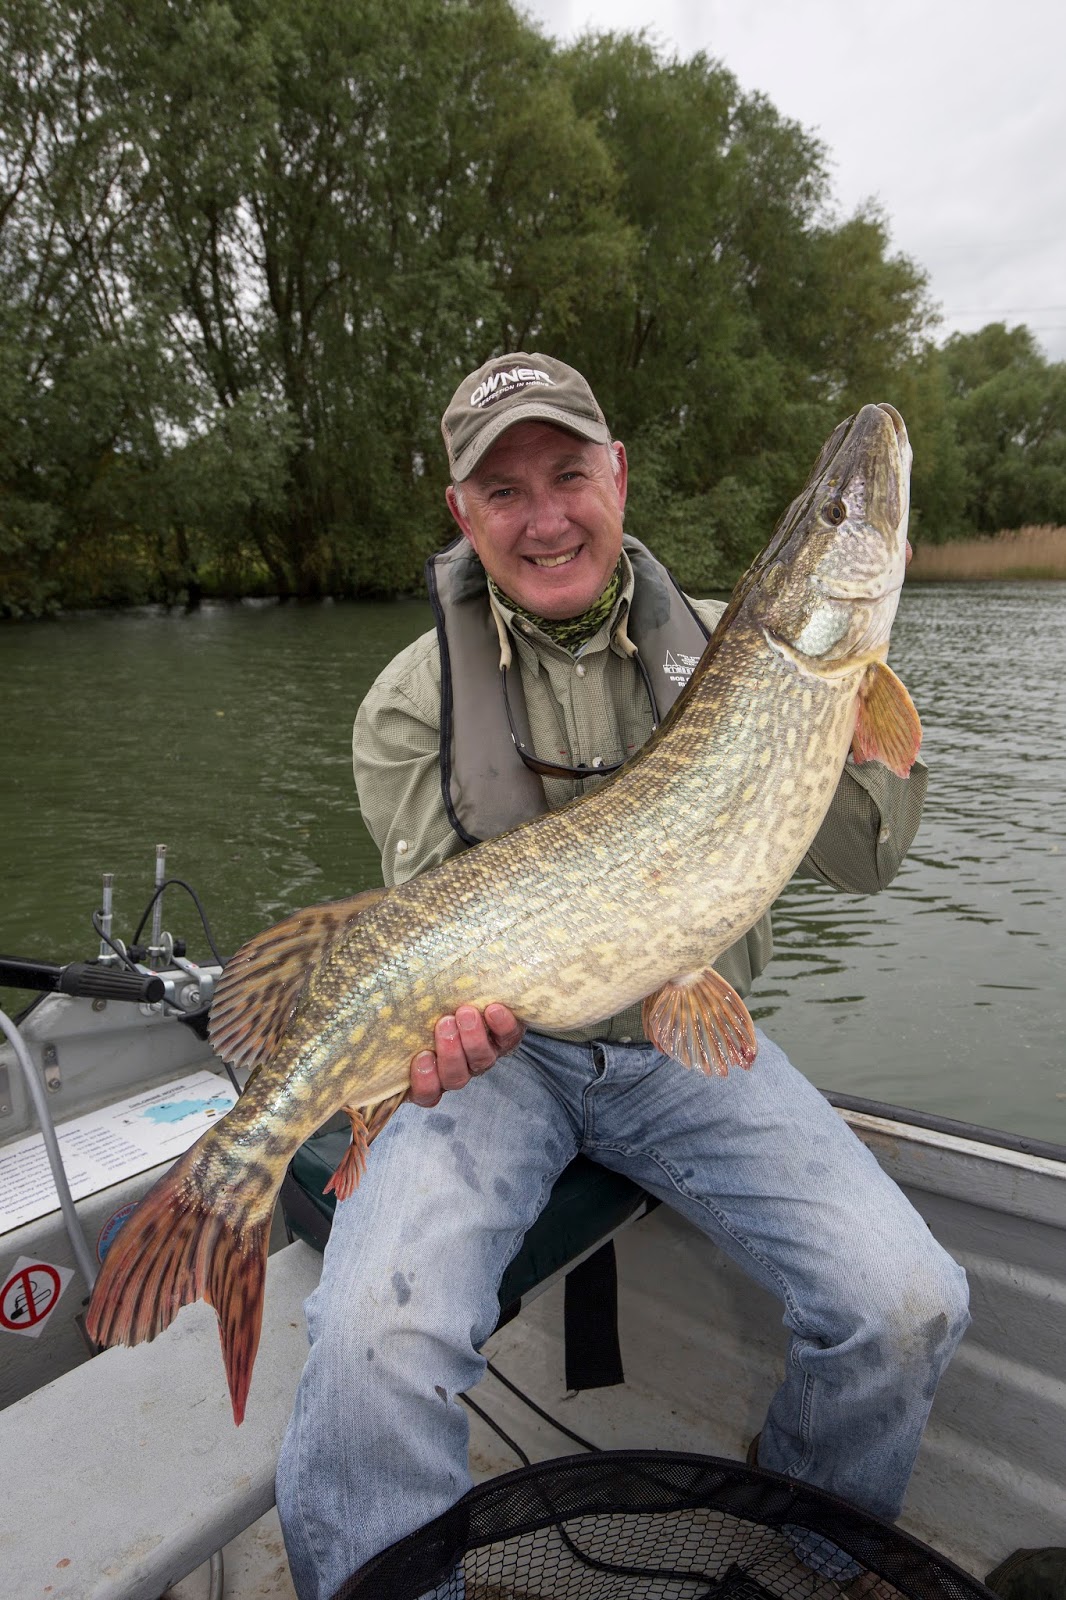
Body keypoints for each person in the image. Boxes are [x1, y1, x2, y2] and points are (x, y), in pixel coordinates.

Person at [276, 353, 970, 1600]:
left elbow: (865, 859)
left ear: (618, 475)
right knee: (373, 1346)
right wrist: (418, 1049)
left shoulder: (734, 641)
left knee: (906, 1299)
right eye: (503, 490)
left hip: (679, 1048)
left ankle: (811, 1544)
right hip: (498, 1066)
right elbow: (441, 945)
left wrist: (858, 677)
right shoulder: (406, 701)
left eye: (567, 474)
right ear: (463, 515)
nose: (544, 517)